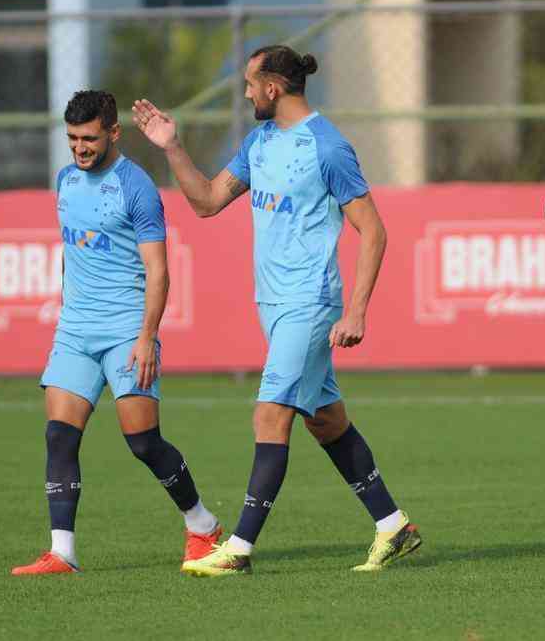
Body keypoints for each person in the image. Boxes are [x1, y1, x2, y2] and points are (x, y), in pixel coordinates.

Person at [131, 45, 420, 577]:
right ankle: (392, 524)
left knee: (270, 414)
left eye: (248, 84)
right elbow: (208, 201)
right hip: (275, 304)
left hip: (310, 301)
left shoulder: (328, 147)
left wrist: (355, 312)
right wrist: (171, 148)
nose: (244, 93)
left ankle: (238, 547)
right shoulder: (259, 142)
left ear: (272, 88)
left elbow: (374, 229)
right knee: (327, 421)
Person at [11, 90, 221, 576]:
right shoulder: (65, 180)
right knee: (59, 437)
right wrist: (70, 308)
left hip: (128, 331)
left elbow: (159, 271)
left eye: (89, 138)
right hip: (76, 331)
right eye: (72, 139)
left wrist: (147, 336)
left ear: (113, 133)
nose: (80, 148)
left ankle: (202, 524)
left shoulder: (137, 187)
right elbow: (72, 252)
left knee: (144, 443)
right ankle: (62, 552)